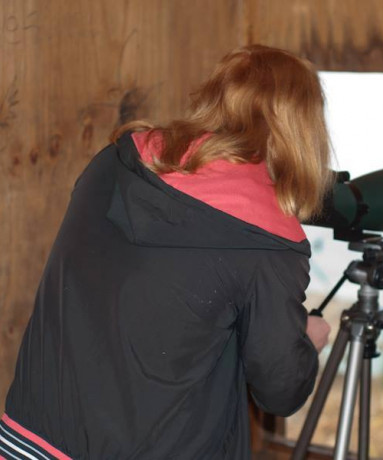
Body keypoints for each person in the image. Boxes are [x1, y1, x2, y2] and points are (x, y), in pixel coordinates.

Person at [1, 45, 332, 459]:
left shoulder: (116, 162)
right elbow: (279, 389)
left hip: (32, 436)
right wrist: (307, 344)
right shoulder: (268, 242)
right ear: (303, 131)